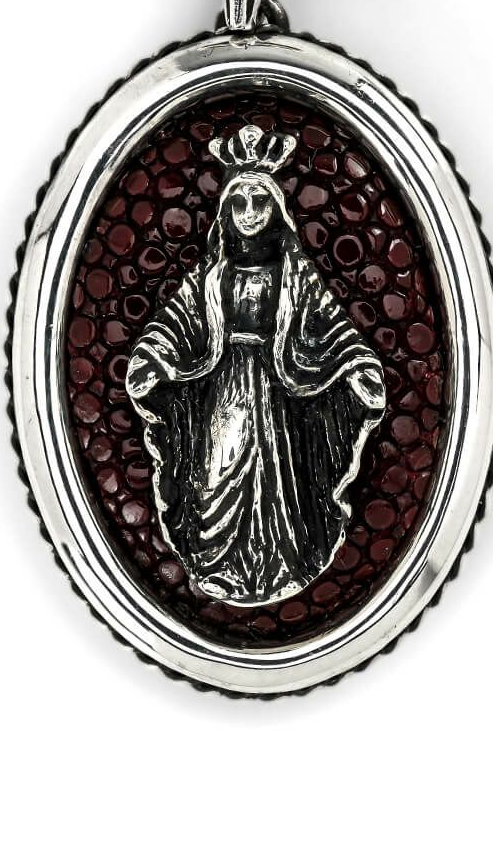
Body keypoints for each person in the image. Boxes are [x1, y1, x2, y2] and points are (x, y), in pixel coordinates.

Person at [126, 125, 386, 605]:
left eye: (259, 202)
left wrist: (355, 366)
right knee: (216, 478)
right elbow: (174, 323)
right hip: (224, 395)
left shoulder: (296, 276)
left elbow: (332, 325)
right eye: (239, 203)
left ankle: (278, 566)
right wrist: (152, 358)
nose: (249, 213)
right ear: (225, 211)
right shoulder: (211, 276)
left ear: (277, 210)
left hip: (279, 396)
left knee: (279, 485)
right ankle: (218, 565)